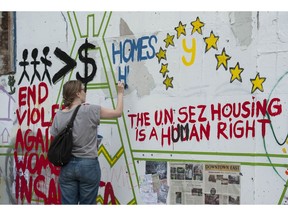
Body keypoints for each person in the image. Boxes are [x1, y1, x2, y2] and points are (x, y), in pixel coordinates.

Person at [50, 79, 124, 204]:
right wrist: (120, 92)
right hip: (88, 165)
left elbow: (55, 141)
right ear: (78, 94)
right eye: (83, 89)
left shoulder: (59, 115)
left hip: (67, 166)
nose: (85, 92)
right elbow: (118, 112)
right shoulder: (90, 110)